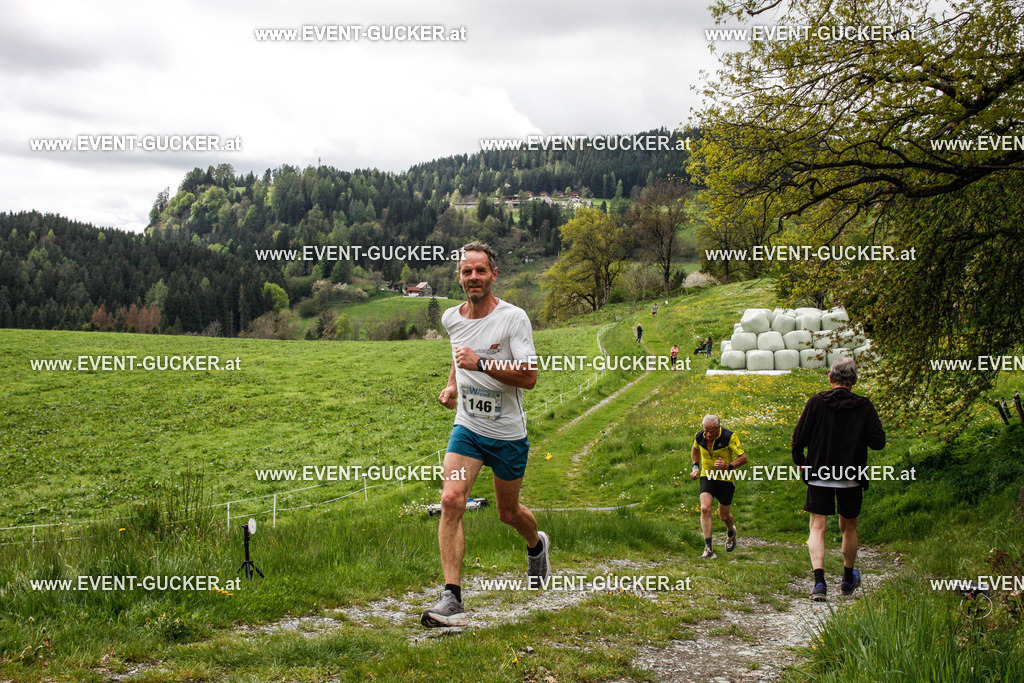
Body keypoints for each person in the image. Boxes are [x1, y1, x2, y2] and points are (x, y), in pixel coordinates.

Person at [422, 241, 549, 627]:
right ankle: (452, 596)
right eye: (466, 271)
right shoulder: (451, 318)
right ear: (459, 277)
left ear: (494, 275)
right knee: (450, 499)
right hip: (469, 430)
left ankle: (536, 544)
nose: (473, 277)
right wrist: (454, 386)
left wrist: (482, 363)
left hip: (508, 434)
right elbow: (458, 354)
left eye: (480, 271)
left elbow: (529, 376)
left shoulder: (514, 319)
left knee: (508, 513)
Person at [792, 357, 885, 601]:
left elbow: (798, 439)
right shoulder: (864, 406)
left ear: (831, 378)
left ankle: (819, 583)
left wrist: (802, 464)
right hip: (851, 476)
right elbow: (878, 442)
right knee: (849, 527)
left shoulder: (816, 403)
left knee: (817, 527)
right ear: (854, 381)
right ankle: (846, 579)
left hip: (819, 473)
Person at [690, 414, 747, 558]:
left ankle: (730, 531)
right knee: (704, 508)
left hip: (725, 480)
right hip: (707, 477)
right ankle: (708, 549)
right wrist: (695, 468)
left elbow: (744, 458)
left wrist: (729, 466)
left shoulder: (729, 437)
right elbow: (695, 449)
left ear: (718, 428)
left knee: (724, 515)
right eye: (706, 430)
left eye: (712, 432)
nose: (708, 434)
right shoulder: (699, 437)